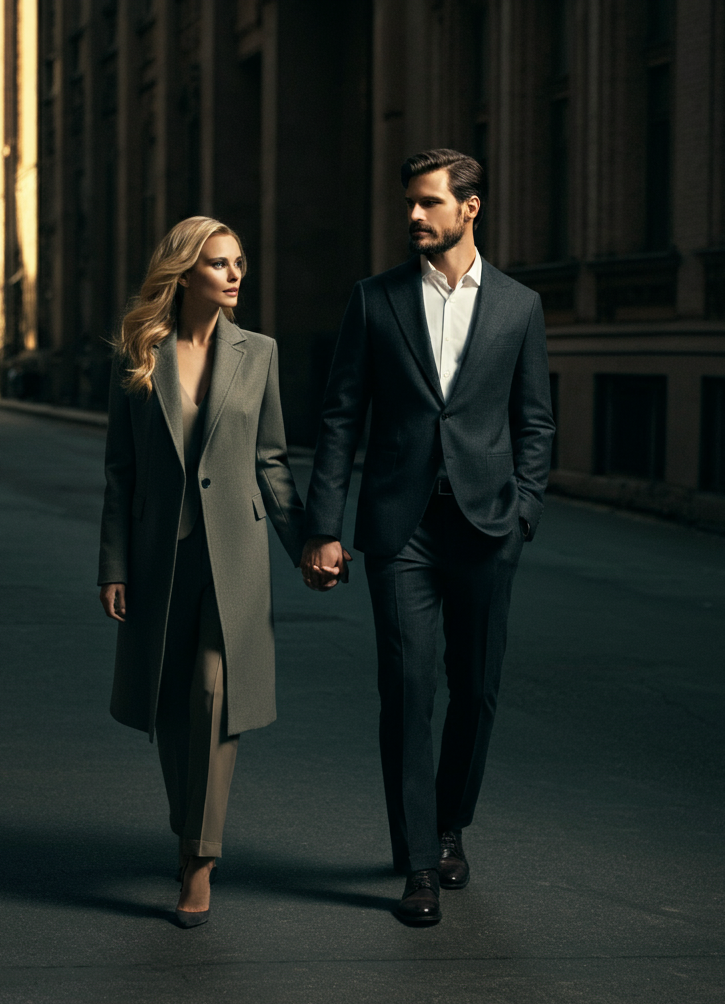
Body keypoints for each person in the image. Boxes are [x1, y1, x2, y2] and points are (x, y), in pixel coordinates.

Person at [301, 149, 555, 925]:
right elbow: (340, 419)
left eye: (427, 203)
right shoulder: (375, 301)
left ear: (469, 208)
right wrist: (325, 527)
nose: (412, 215)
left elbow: (535, 419)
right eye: (408, 203)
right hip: (399, 529)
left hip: (485, 526)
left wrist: (524, 512)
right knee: (408, 693)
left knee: (475, 690)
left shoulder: (519, 306)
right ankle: (416, 862)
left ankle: (449, 826)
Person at [98, 216, 312, 928]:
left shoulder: (260, 353)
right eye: (219, 264)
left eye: (239, 263)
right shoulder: (141, 353)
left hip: (236, 557)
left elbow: (272, 462)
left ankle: (199, 860)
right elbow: (120, 473)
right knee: (168, 701)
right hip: (162, 557)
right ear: (185, 273)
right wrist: (114, 566)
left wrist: (307, 543)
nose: (235, 274)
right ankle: (187, 826)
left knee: (216, 699)